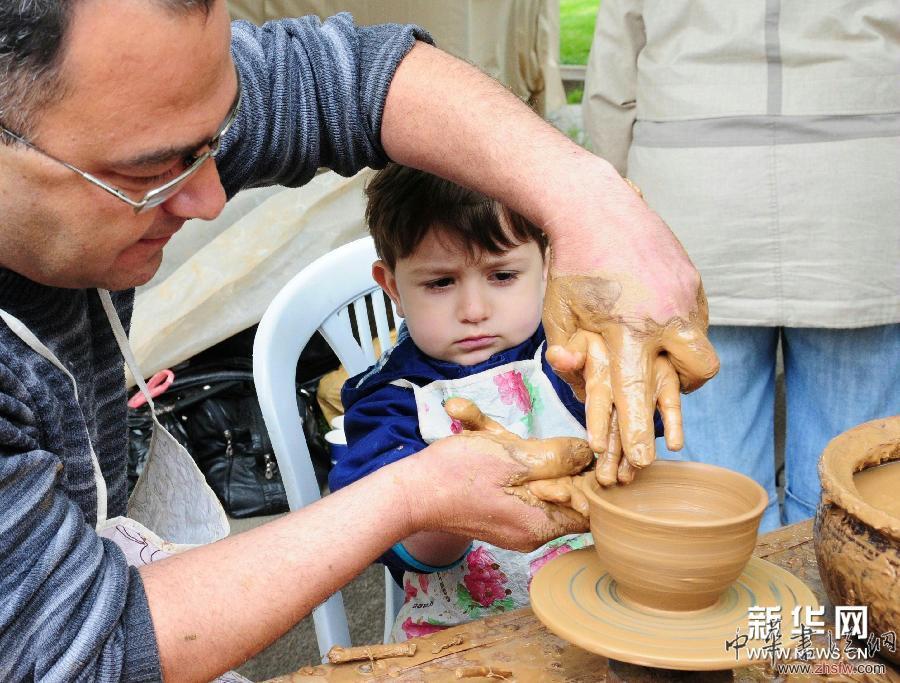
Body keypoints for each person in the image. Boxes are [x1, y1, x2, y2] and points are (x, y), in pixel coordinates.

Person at [0, 1, 718, 680]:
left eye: (214, 140)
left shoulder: (131, 88)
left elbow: (350, 80)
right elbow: (81, 650)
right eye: (150, 172)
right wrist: (411, 497)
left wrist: (591, 202)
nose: (212, 199)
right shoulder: (393, 400)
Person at [583, 0, 900, 531]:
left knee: (711, 488)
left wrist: (626, 201)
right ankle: (830, 607)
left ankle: (735, 609)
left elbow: (612, 88)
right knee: (851, 484)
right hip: (860, 202)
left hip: (693, 201)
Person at [329, 164, 671, 639]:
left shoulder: (568, 353)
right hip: (461, 638)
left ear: (548, 266)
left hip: (602, 608)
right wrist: (447, 500)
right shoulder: (389, 404)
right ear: (393, 288)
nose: (474, 311)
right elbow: (394, 544)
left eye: (503, 275)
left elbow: (644, 435)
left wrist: (623, 369)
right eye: (440, 283)